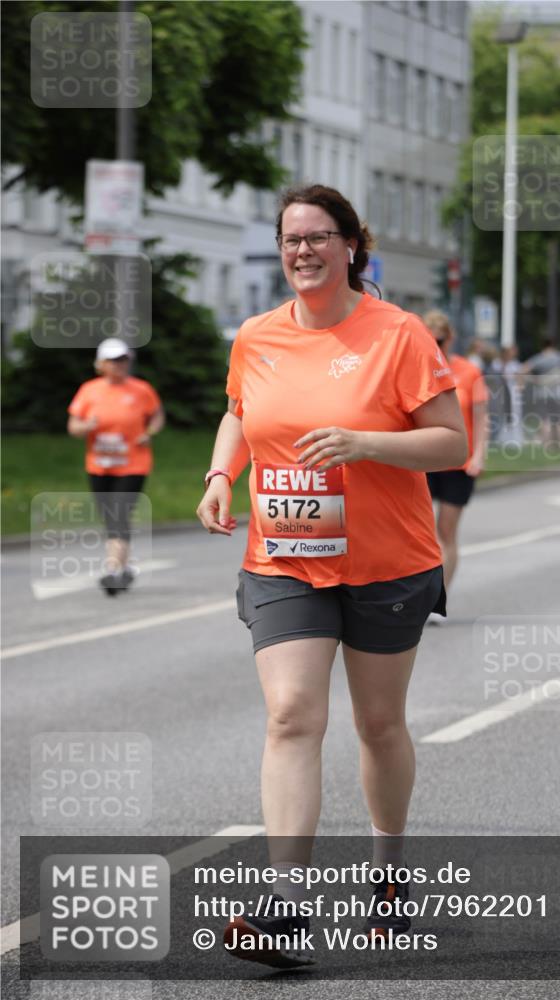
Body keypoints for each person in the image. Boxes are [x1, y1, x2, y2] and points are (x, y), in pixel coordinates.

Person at [196, 184, 467, 968]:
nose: (303, 252)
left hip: (387, 561)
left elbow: (449, 442)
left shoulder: (398, 334)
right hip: (284, 557)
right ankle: (285, 907)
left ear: (352, 245)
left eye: (319, 237)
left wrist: (366, 443)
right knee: (290, 715)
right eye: (290, 240)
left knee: (377, 726)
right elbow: (240, 411)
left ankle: (387, 877)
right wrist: (221, 474)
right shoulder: (256, 334)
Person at [67, 338, 164, 595]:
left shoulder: (141, 389)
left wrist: (150, 431)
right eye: (113, 360)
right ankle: (125, 567)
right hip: (99, 465)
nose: (118, 365)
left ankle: (112, 570)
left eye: (123, 360)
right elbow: (73, 426)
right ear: (101, 364)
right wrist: (86, 426)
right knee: (111, 516)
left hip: (133, 464)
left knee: (119, 514)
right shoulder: (89, 390)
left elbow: (157, 415)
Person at [422, 311, 489, 602]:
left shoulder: (468, 371)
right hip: (423, 460)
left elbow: (482, 417)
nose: (435, 345)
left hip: (458, 463)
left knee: (445, 531)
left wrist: (479, 455)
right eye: (429, 339)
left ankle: (441, 596)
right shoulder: (417, 368)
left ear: (451, 338)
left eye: (440, 339)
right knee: (420, 535)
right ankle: (419, 595)